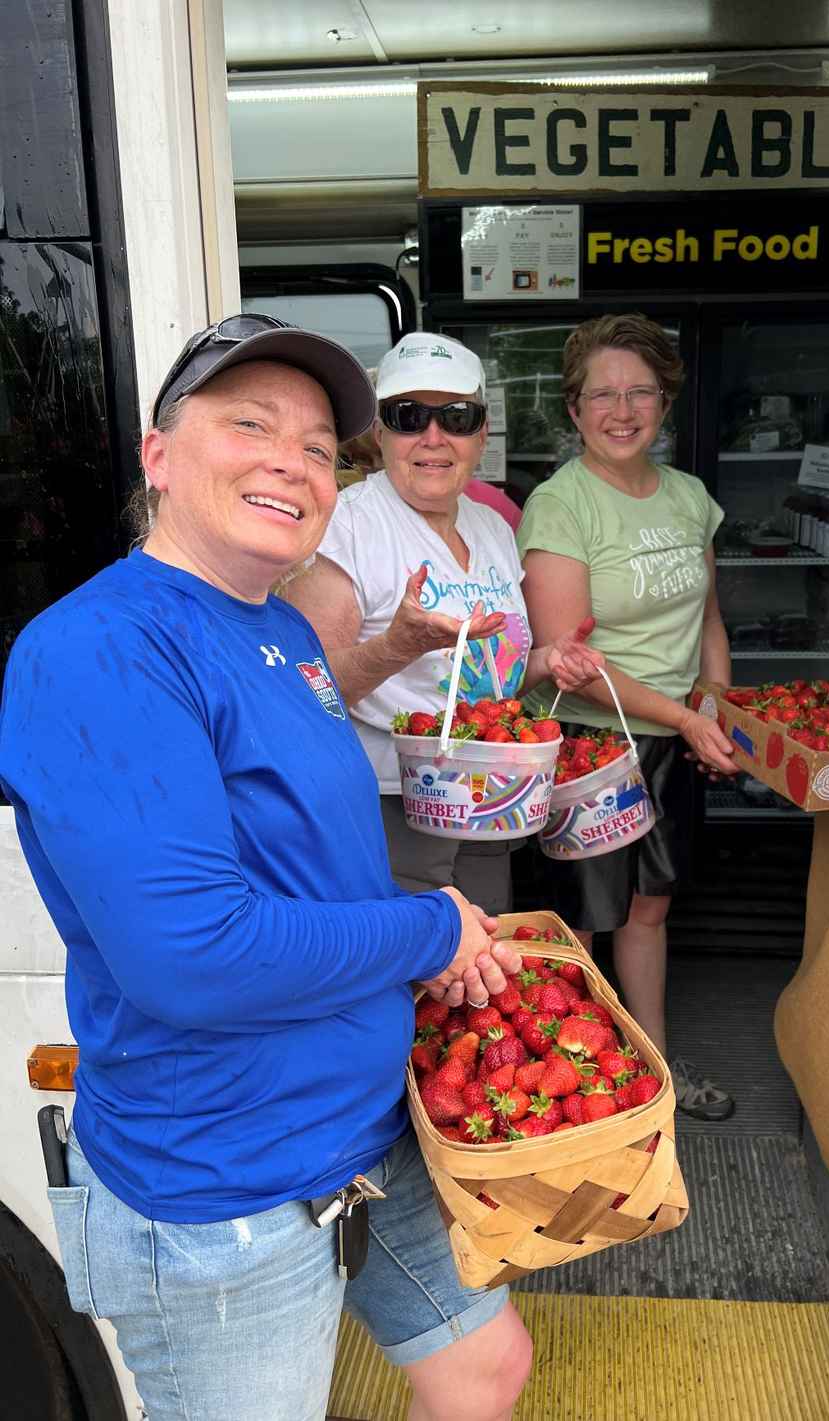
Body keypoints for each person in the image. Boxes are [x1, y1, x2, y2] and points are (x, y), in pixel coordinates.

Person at [0, 313, 533, 1421]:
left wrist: (416, 934)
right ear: (159, 456)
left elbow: (303, 874)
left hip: (363, 1130)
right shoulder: (100, 648)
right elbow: (193, 955)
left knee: (485, 1370)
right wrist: (429, 928)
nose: (290, 462)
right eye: (250, 424)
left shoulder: (277, 632)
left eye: (315, 446)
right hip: (224, 1180)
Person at [285, 331, 602, 915]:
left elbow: (490, 681)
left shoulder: (493, 530)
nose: (433, 437)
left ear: (481, 434)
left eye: (456, 416)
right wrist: (398, 647)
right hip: (389, 806)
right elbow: (308, 693)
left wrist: (547, 664)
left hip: (487, 798)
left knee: (478, 978)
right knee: (409, 985)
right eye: (409, 416)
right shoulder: (348, 526)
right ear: (380, 433)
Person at [517, 312, 738, 1122]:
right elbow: (568, 658)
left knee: (652, 905)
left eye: (640, 391)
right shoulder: (559, 506)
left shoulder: (689, 498)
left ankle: (653, 1069)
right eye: (602, 394)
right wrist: (684, 719)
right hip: (592, 741)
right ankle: (575, 1087)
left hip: (677, 732)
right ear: (573, 410)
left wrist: (715, 709)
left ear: (664, 402)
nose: (622, 409)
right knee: (583, 919)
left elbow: (708, 617)